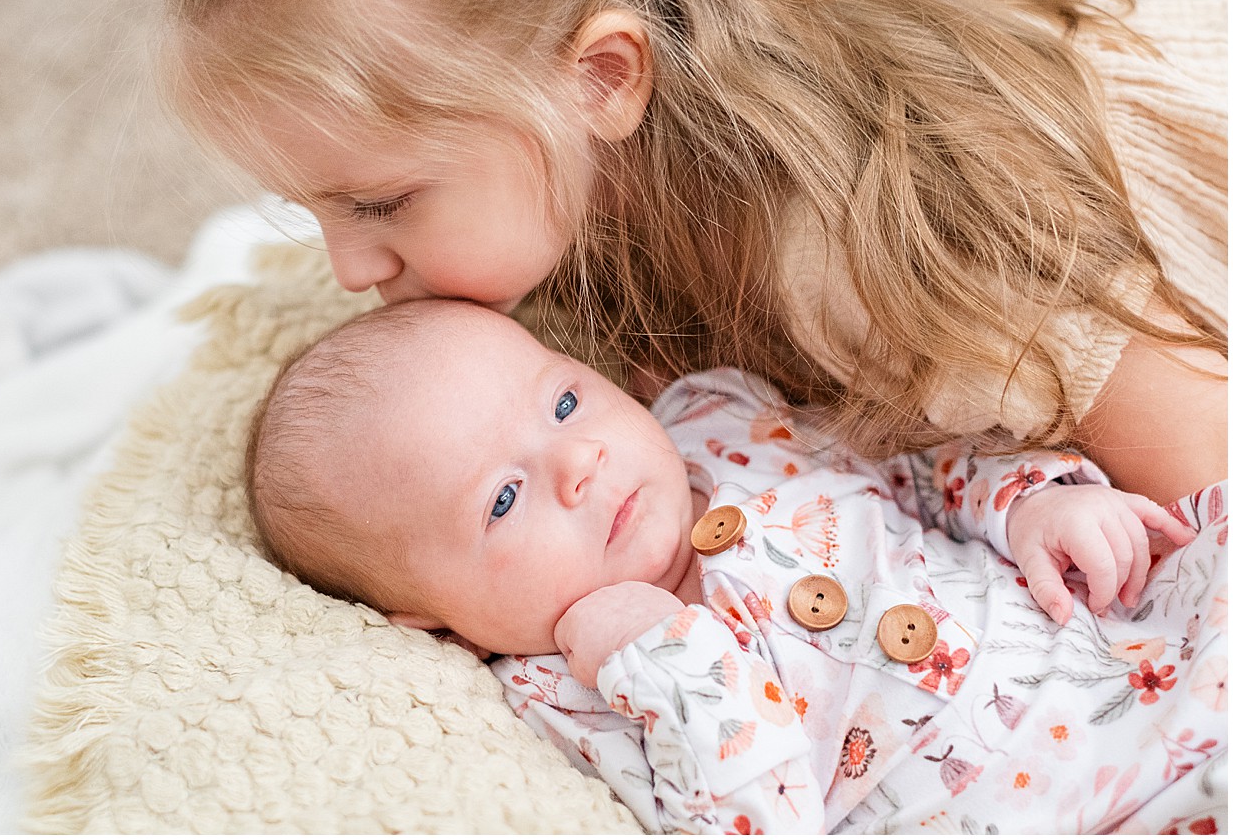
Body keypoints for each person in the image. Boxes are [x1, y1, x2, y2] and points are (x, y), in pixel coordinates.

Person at [161, 0, 1226, 507]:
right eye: (312, 209)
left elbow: (1203, 476)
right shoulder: (581, 197)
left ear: (599, 80)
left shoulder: (845, 234)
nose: (350, 270)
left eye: (380, 202)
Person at [244, 298, 1226, 834]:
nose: (578, 462)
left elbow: (918, 456)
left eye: (562, 403)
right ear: (434, 617)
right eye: (502, 499)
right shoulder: (565, 695)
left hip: (1135, 664)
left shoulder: (718, 420)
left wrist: (1031, 503)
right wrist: (658, 659)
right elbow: (753, 818)